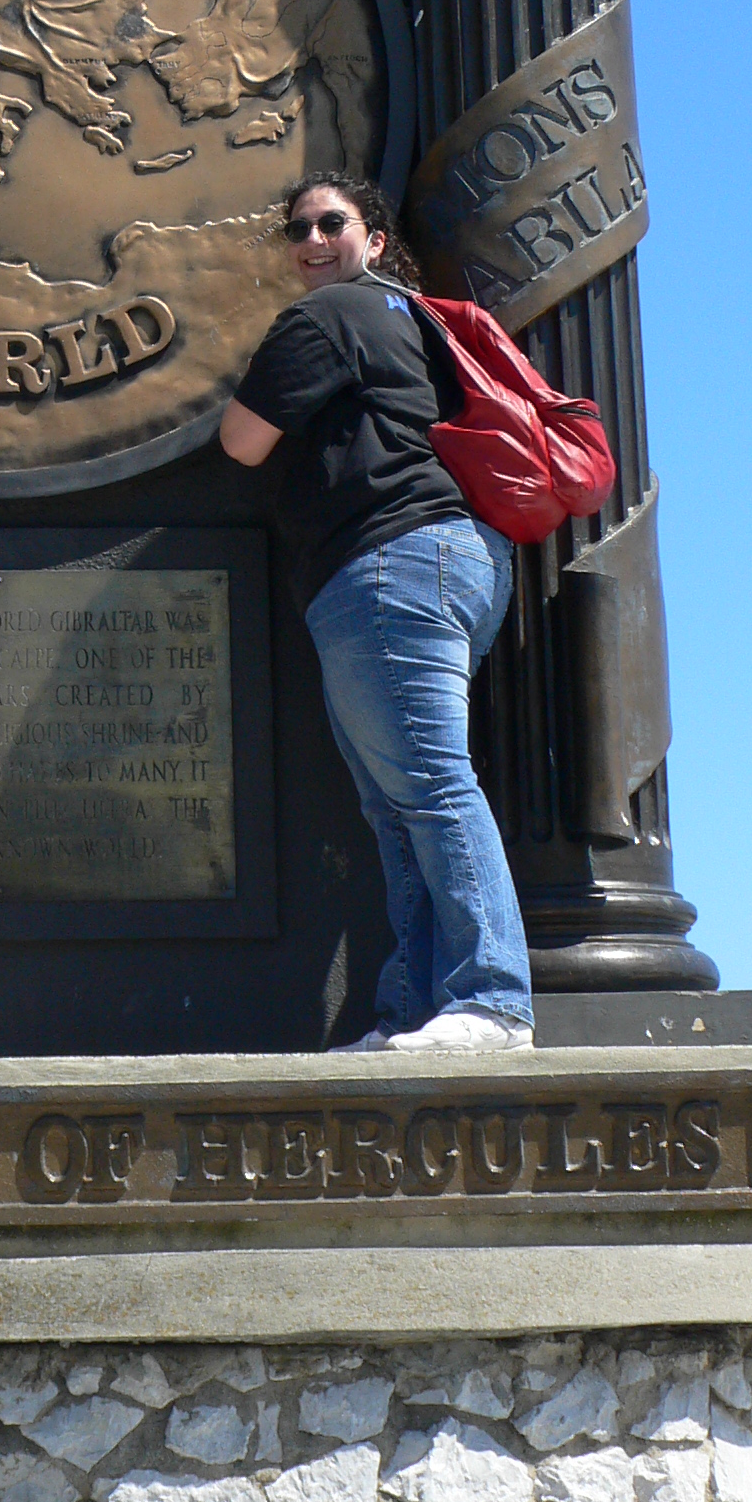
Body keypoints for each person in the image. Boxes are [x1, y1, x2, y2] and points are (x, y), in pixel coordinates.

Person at [219, 175, 533, 1055]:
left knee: (429, 787)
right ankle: (416, 1011)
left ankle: (493, 1000)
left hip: (389, 563)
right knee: (399, 806)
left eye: (333, 223)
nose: (313, 241)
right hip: (450, 564)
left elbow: (242, 440)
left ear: (377, 238)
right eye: (298, 229)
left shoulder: (329, 315)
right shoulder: (416, 318)